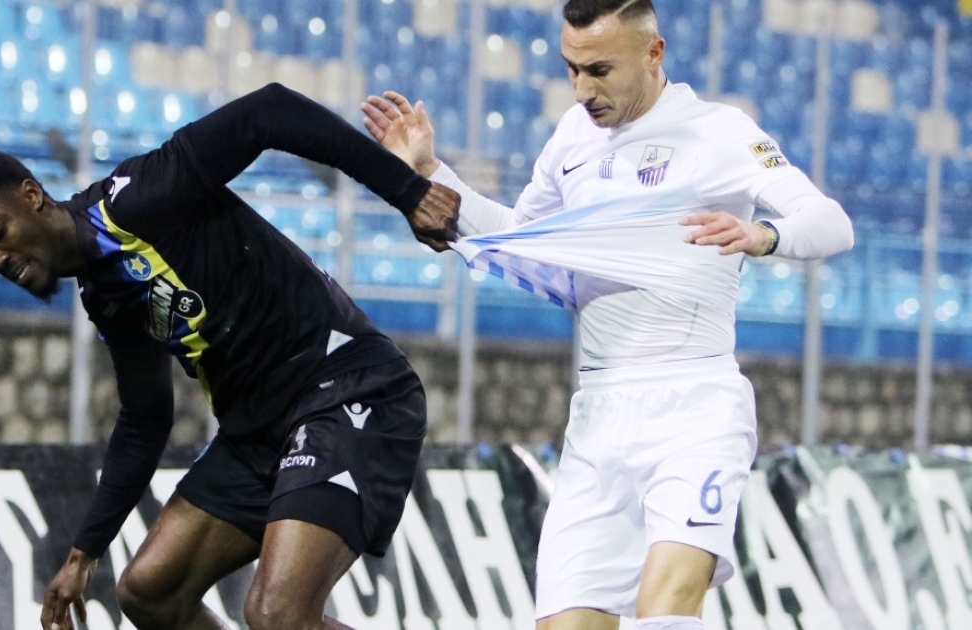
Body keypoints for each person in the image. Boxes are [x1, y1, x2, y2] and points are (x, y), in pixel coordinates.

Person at [361, 1, 854, 629]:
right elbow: (521, 239)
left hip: (695, 406)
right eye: (571, 69)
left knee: (663, 609)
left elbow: (831, 223)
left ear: (653, 53)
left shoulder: (718, 132)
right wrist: (433, 172)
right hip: (599, 416)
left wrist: (763, 235)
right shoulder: (572, 138)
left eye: (599, 71)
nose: (582, 90)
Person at [0, 83, 461, 630]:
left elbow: (269, 110)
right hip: (257, 432)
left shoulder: (138, 199)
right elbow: (145, 419)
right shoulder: (102, 294)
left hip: (346, 387)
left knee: (277, 615)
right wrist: (82, 555)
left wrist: (407, 191)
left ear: (31, 196)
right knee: (150, 592)